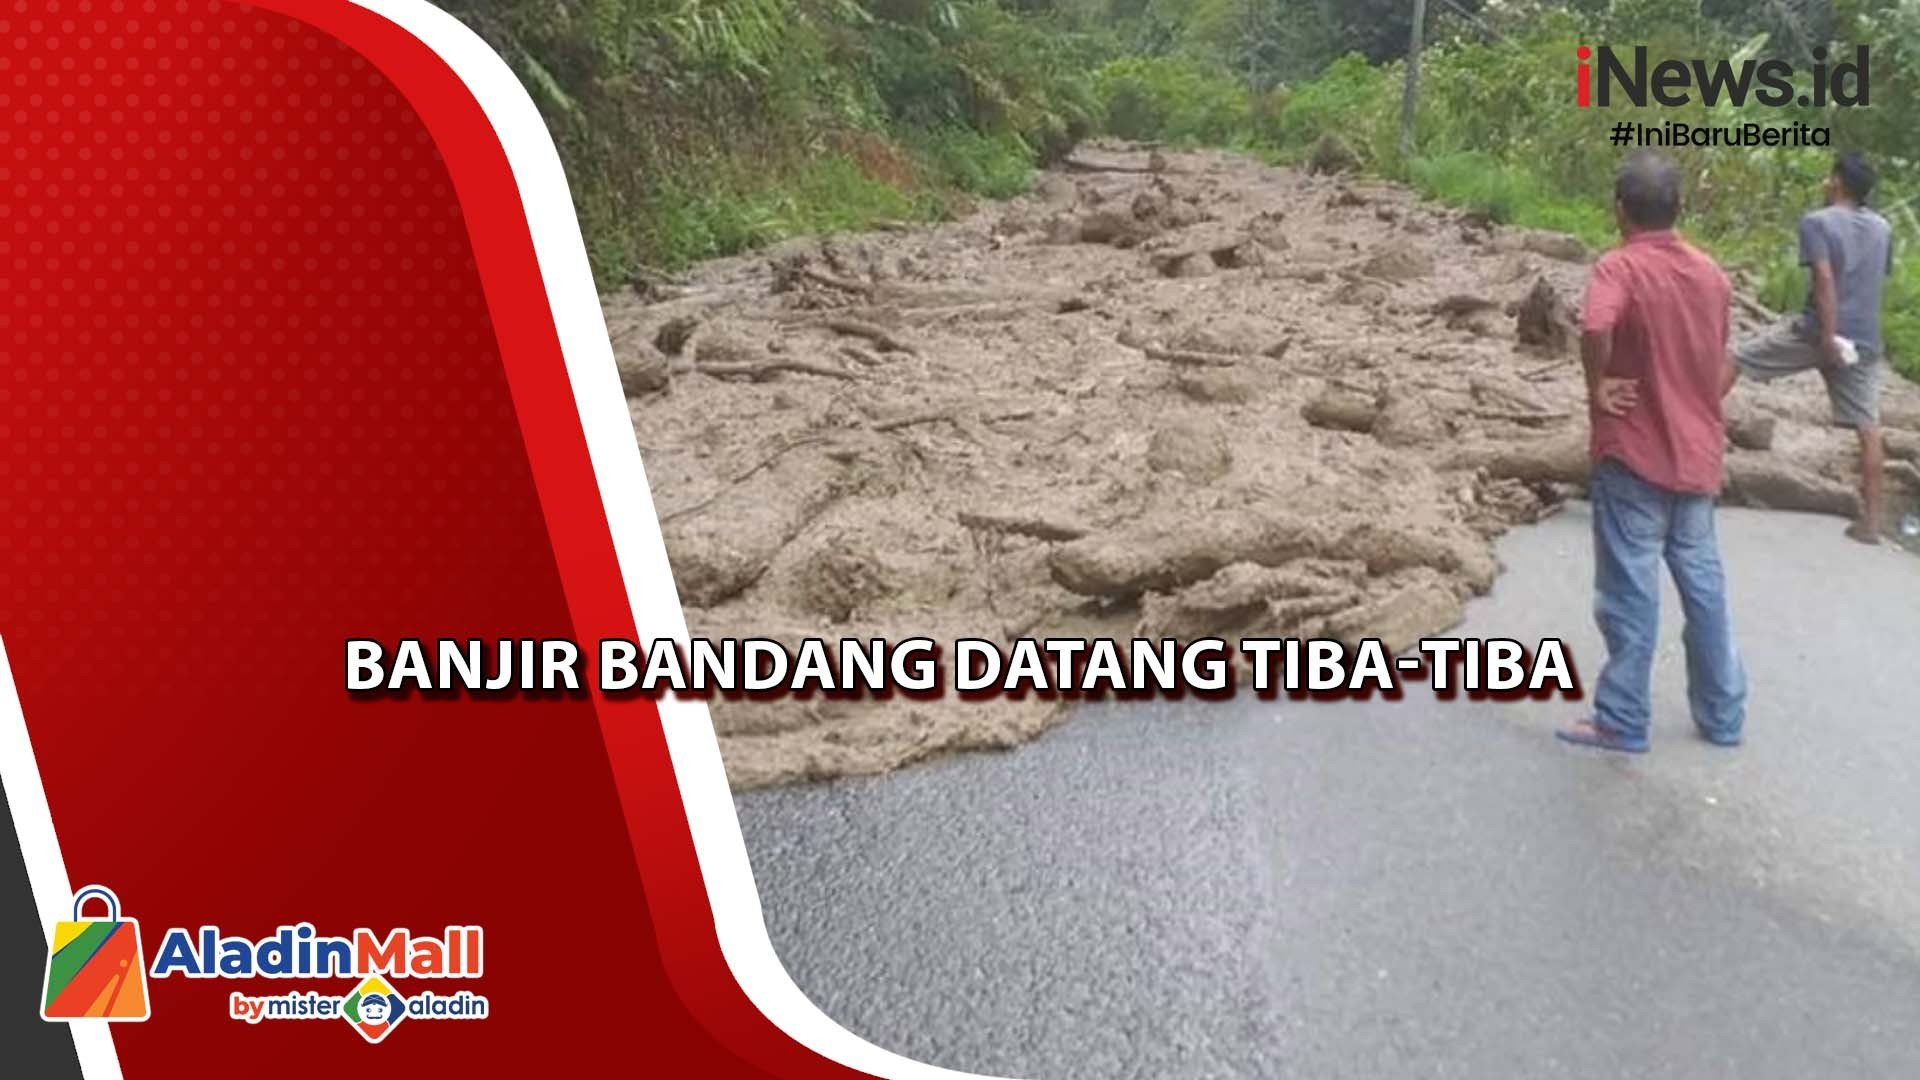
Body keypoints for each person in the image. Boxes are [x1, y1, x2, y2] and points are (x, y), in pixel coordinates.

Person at [1556, 151, 1746, 753]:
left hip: (1635, 450)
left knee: (1629, 591)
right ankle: (1722, 715)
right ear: (1679, 208)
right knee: (1704, 587)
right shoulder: (1712, 275)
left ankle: (1621, 718)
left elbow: (1594, 326)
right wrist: (1697, 403)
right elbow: (1722, 359)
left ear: (1619, 210)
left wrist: (1598, 386)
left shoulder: (1619, 268)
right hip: (1697, 454)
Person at [1732, 152, 1894, 544]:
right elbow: (1876, 279)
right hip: (1864, 341)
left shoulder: (1817, 222)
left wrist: (1827, 335)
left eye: (1828, 177)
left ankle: (1689, 458)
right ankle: (1872, 523)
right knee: (1868, 427)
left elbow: (1824, 278)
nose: (1825, 183)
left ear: (1837, 181)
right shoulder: (1883, 227)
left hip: (1817, 331)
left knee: (1734, 358)